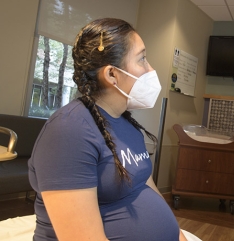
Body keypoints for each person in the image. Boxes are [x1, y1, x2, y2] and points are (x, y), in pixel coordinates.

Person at [28, 18, 187, 241]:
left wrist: (178, 234)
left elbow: (146, 185)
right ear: (112, 74)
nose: (151, 69)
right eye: (141, 59)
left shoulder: (127, 125)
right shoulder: (69, 131)